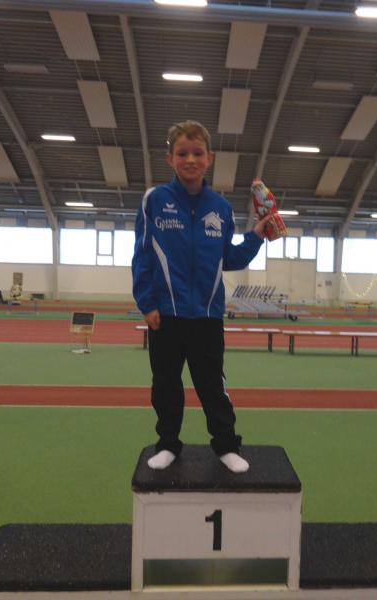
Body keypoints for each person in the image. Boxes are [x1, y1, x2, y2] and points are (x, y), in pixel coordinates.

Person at [132, 120, 272, 474]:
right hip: (166, 315)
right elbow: (142, 256)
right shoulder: (154, 201)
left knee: (212, 386)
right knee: (166, 385)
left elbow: (230, 258)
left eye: (197, 153)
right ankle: (168, 444)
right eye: (182, 153)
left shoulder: (220, 208)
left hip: (208, 315)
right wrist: (146, 303)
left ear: (210, 158)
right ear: (170, 158)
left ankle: (226, 446)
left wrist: (256, 235)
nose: (190, 160)